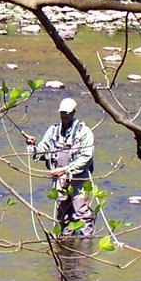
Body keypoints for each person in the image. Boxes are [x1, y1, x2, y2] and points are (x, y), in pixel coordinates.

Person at [25, 97, 96, 238]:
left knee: (82, 215)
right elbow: (41, 153)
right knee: (62, 217)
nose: (64, 116)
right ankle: (65, 247)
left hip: (78, 181)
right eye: (62, 112)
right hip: (59, 183)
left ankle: (86, 247)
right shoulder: (52, 131)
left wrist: (66, 170)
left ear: (74, 112)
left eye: (67, 113)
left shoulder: (85, 132)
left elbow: (86, 157)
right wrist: (32, 146)